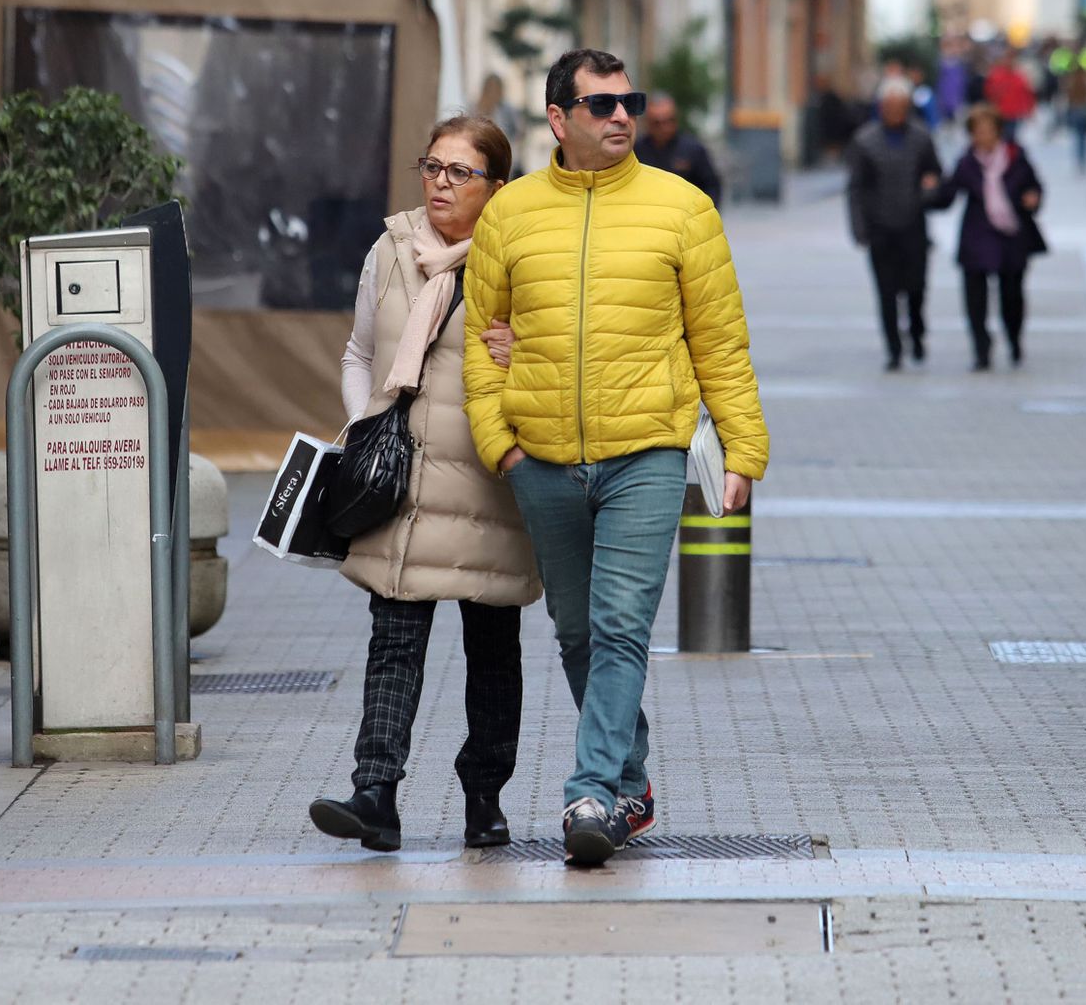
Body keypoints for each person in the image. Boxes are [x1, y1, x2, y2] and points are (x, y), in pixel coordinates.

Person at [463, 48, 770, 867]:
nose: (622, 116)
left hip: (649, 452)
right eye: (601, 106)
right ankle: (631, 783)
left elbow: (721, 342)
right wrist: (503, 441)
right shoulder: (512, 214)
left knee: (619, 625)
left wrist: (744, 447)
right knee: (574, 631)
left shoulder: (683, 208)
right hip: (544, 457)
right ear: (559, 120)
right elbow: (478, 336)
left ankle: (590, 791)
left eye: (628, 101)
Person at [309, 116, 541, 852]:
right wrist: (363, 422)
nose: (440, 183)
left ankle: (484, 798)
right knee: (393, 640)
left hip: (488, 483)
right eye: (431, 167)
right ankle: (374, 792)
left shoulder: (522, 259)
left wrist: (524, 349)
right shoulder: (391, 249)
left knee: (493, 647)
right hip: (399, 484)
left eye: (459, 172)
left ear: (496, 187)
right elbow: (356, 352)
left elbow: (555, 363)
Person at [931, 104, 1046, 370]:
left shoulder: (1016, 158)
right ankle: (981, 349)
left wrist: (1034, 198)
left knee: (1012, 296)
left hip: (1011, 237)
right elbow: (947, 195)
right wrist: (928, 191)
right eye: (977, 132)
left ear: (998, 132)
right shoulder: (967, 162)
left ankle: (1014, 340)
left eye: (988, 131)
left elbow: (1034, 186)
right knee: (975, 299)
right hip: (977, 236)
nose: (983, 137)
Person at [846, 76, 943, 370]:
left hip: (913, 225)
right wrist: (860, 228)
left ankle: (916, 331)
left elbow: (936, 174)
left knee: (916, 287)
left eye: (900, 106)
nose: (895, 112)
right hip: (881, 228)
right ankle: (894, 348)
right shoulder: (865, 141)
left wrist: (929, 189)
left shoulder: (921, 138)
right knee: (886, 291)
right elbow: (856, 188)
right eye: (890, 106)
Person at [634, 92, 723, 204]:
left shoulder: (693, 149)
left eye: (669, 120)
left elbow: (712, 187)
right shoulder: (636, 150)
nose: (664, 128)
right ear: (647, 122)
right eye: (657, 123)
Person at [983, 48, 1036, 138]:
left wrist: (1029, 109)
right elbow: (989, 92)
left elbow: (1027, 94)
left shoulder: (1020, 76)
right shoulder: (996, 74)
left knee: (1010, 137)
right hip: (999, 112)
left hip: (1014, 113)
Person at [1064, 66, 1086, 175]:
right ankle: (1082, 162)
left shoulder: (1073, 83)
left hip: (1078, 111)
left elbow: (1069, 98)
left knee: (1080, 138)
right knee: (1083, 138)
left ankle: (1081, 162)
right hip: (1083, 112)